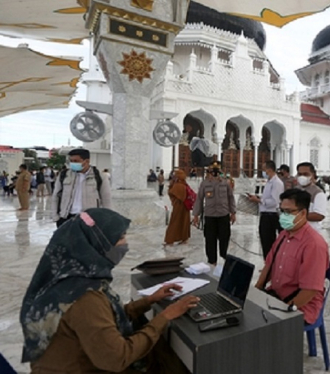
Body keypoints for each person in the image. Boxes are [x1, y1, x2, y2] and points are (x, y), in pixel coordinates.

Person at [20, 208, 198, 373]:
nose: (125, 244)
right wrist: (165, 317)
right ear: (95, 245)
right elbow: (117, 358)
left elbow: (106, 318)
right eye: (120, 238)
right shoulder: (84, 297)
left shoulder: (72, 278)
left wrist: (149, 301)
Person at [254, 189, 330, 325]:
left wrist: (284, 311)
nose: (283, 216)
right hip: (277, 296)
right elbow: (269, 266)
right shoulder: (284, 235)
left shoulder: (314, 244)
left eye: (288, 212)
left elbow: (310, 290)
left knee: (256, 328)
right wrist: (256, 292)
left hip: (300, 305)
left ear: (303, 213)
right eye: (281, 211)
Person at [52, 149, 112, 228]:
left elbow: (106, 199)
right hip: (66, 217)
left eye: (76, 161)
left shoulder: (100, 177)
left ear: (86, 161)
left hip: (89, 219)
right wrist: (56, 217)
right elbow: (56, 196)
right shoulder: (64, 175)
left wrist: (106, 218)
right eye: (71, 161)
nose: (73, 163)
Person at [192, 162, 236, 265]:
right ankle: (212, 261)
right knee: (210, 239)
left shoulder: (225, 183)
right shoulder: (204, 184)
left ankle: (223, 255)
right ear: (209, 172)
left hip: (223, 215)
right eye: (213, 172)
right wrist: (196, 215)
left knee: (224, 237)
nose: (215, 174)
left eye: (217, 172)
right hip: (210, 215)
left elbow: (231, 197)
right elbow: (199, 199)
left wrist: (233, 212)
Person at [248, 160, 284, 259]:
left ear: (269, 170)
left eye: (264, 170)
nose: (263, 172)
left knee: (269, 241)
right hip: (265, 214)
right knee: (265, 241)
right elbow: (267, 197)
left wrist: (259, 200)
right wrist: (257, 198)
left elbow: (274, 201)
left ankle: (271, 265)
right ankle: (267, 264)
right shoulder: (269, 182)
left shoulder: (277, 183)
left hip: (271, 215)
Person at [296, 162, 327, 236]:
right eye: (300, 174)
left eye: (305, 174)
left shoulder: (318, 193)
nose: (302, 177)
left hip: (311, 232)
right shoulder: (295, 190)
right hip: (296, 231)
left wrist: (297, 216)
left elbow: (319, 215)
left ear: (312, 174)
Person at [164, 170, 191, 246]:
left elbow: (174, 193)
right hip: (184, 207)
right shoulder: (184, 184)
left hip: (179, 207)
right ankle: (184, 238)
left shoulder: (178, 185)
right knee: (184, 222)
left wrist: (170, 187)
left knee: (174, 222)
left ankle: (170, 240)